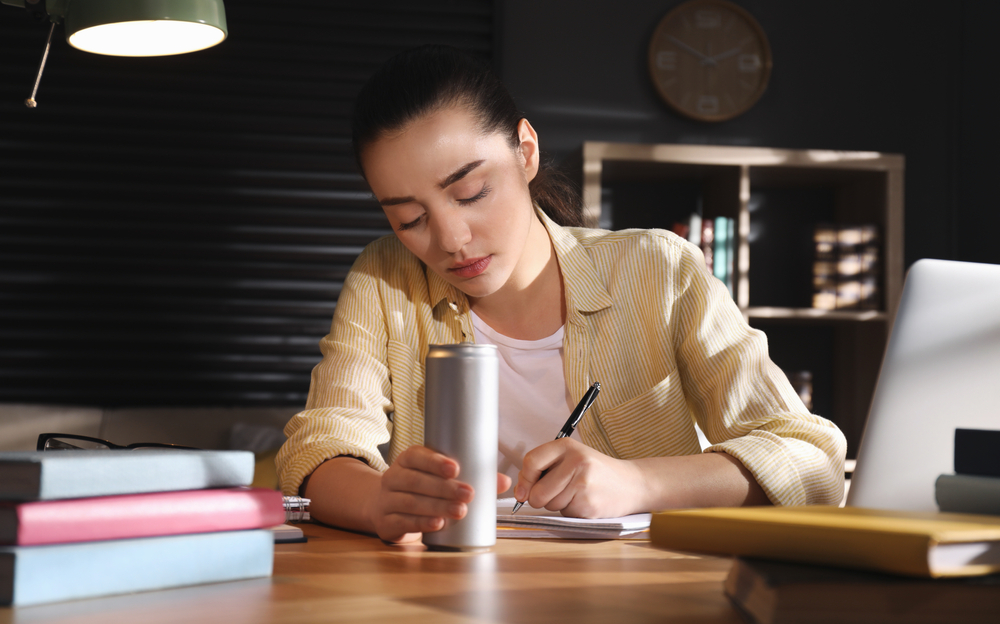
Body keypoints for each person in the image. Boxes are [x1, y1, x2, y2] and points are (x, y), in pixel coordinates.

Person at [276, 45, 847, 544]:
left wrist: (637, 483)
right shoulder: (384, 278)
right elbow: (319, 446)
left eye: (471, 192)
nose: (451, 240)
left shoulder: (658, 270)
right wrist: (379, 499)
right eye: (409, 218)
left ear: (525, 151)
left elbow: (813, 462)